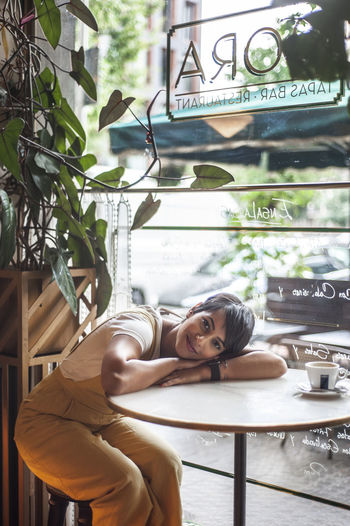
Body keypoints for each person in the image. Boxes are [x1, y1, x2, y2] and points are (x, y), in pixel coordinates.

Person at [15, 292, 287, 526]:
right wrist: (175, 364)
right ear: (192, 311)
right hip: (46, 421)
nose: (202, 340)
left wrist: (205, 372)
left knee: (166, 464)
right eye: (205, 324)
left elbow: (275, 364)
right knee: (124, 482)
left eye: (216, 343)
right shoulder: (140, 326)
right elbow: (117, 377)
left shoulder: (202, 353)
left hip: (102, 421)